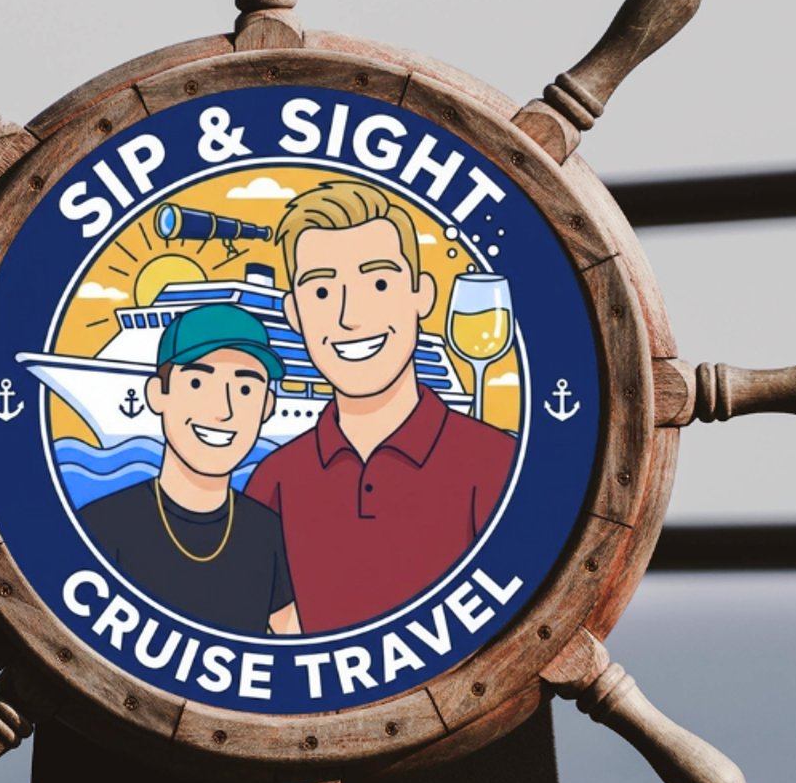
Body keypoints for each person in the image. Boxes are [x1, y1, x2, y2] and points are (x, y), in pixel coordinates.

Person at [244, 180, 513, 635]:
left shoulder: (498, 466)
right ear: (294, 314)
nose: (351, 316)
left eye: (380, 282)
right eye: (322, 292)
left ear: (422, 296)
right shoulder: (273, 484)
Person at [83, 306, 299, 635]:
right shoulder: (100, 528)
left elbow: (296, 648)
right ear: (158, 394)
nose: (223, 410)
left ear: (267, 406)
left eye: (245, 390)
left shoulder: (270, 533)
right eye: (197, 382)